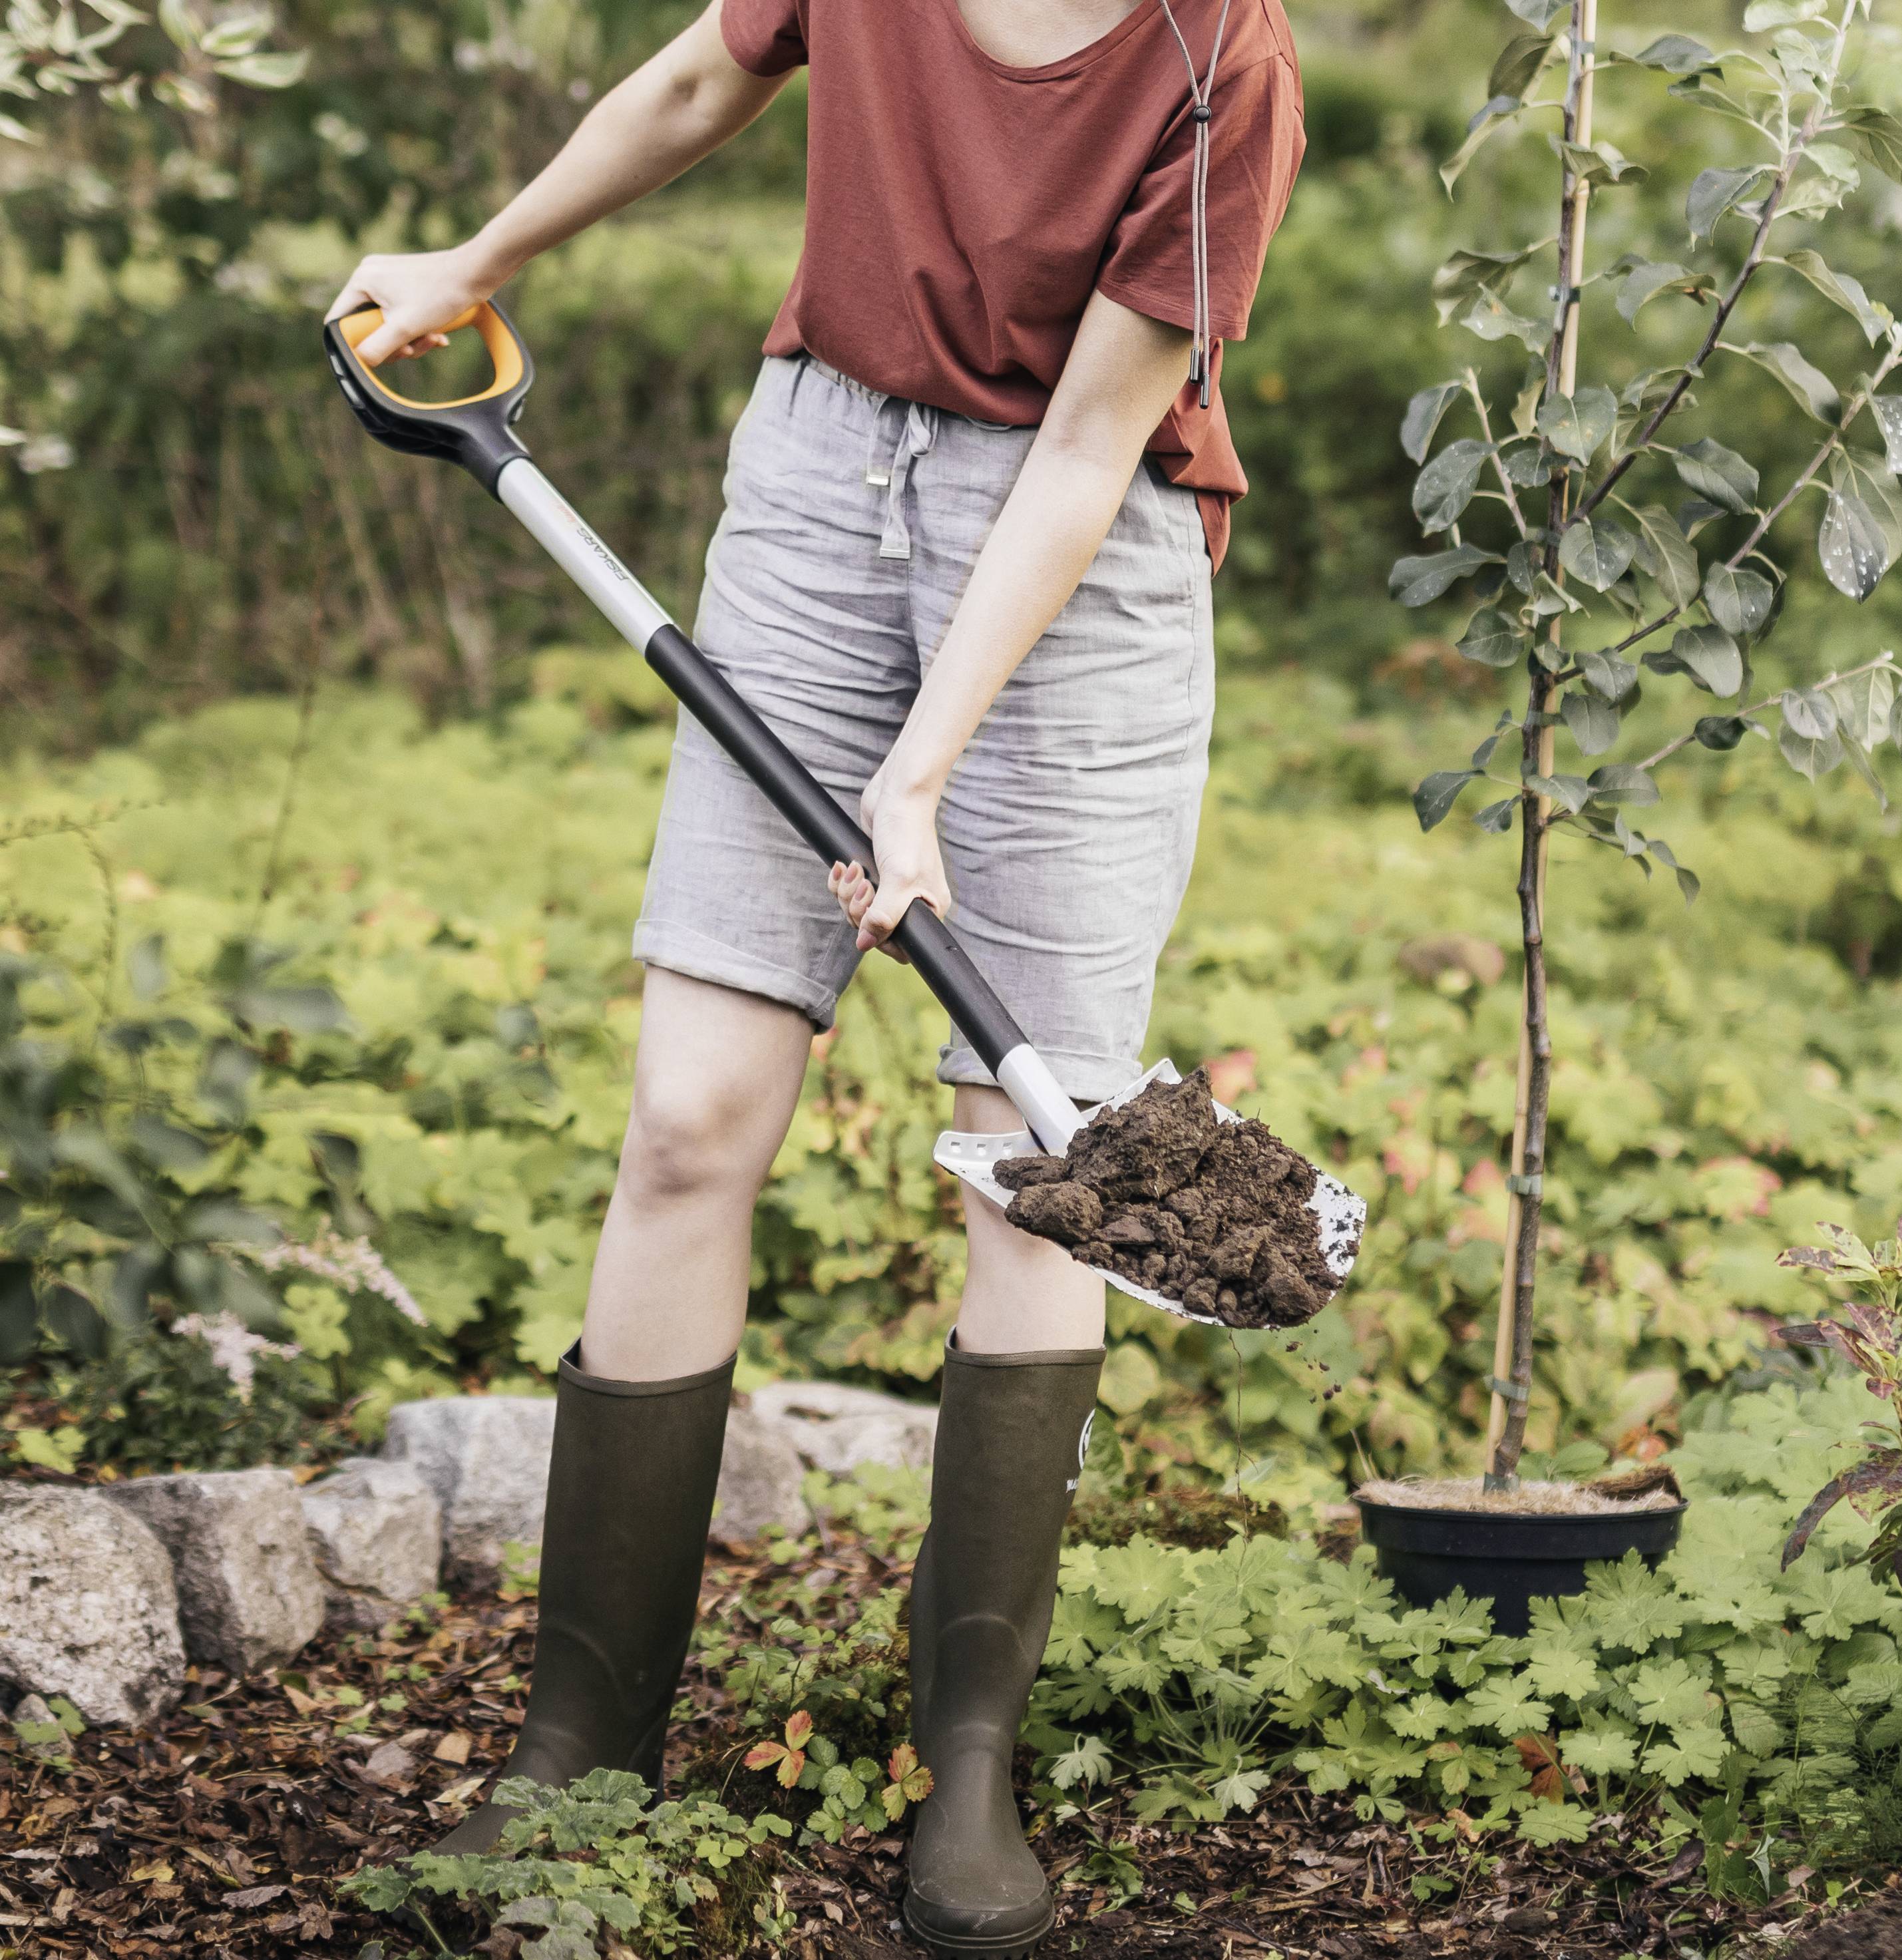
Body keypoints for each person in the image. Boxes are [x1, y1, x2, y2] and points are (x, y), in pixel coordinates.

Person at [327, 1, 1302, 1949]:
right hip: (816, 493)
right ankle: (575, 1755)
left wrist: (917, 771)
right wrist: (472, 262)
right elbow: (703, 76)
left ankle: (967, 1767)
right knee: (689, 1122)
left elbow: (1097, 438)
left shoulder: (1224, 59)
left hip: (1076, 560)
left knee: (1028, 1168)